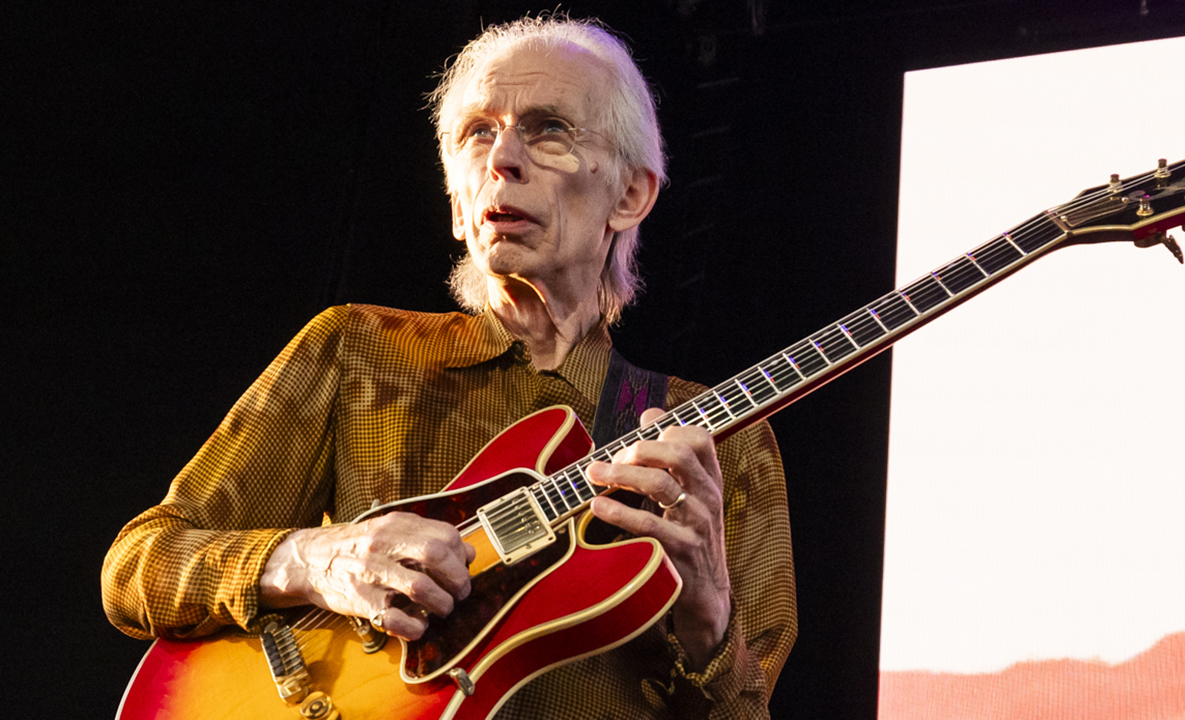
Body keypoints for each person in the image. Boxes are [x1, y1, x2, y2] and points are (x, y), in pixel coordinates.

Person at [102, 15, 796, 718]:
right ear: (459, 206)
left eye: (548, 129)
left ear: (630, 196)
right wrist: (318, 559)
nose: (502, 160)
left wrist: (709, 619)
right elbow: (138, 567)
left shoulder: (716, 447)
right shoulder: (356, 350)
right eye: (476, 134)